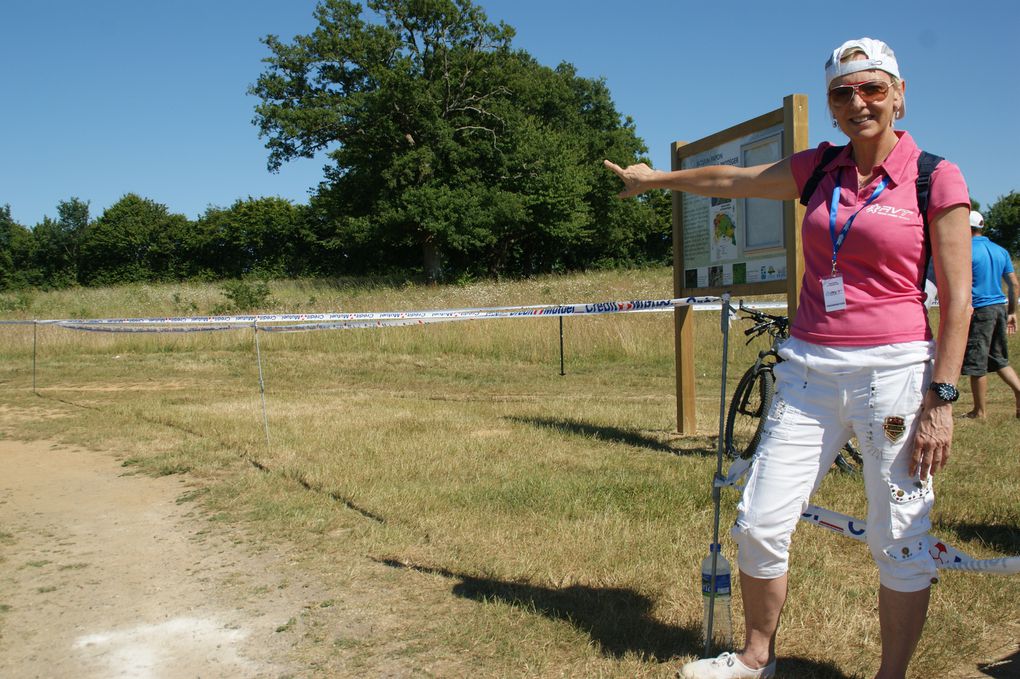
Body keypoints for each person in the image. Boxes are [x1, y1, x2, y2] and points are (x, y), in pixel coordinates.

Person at [605, 38, 972, 679]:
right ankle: (755, 659)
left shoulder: (933, 175)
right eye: (843, 92)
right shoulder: (819, 167)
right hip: (806, 372)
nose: (858, 102)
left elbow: (959, 304)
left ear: (899, 94)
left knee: (901, 537)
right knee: (760, 520)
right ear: (831, 105)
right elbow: (737, 180)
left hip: (893, 376)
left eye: (872, 88)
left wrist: (940, 401)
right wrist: (656, 179)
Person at [961, 209, 1020, 419]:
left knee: (977, 362)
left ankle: (979, 411)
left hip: (980, 311)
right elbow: (1014, 284)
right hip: (999, 309)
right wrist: (1012, 312)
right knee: (999, 359)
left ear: (966, 227)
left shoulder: (964, 250)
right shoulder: (1000, 250)